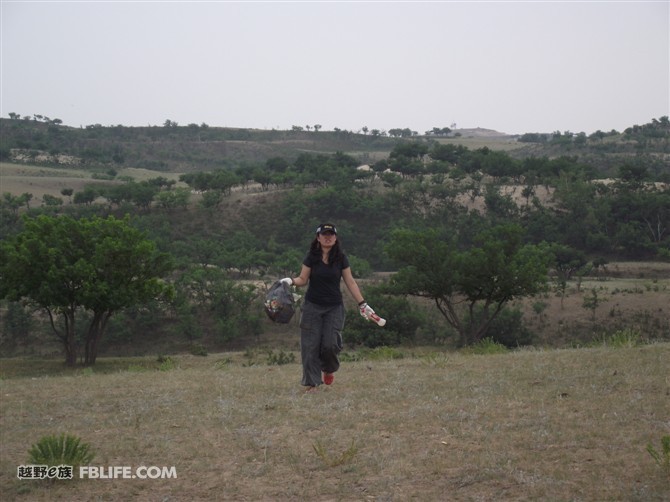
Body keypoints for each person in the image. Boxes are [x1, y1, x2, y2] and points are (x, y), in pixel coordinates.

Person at [281, 223, 378, 393]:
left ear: (335, 238)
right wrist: (289, 281)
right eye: (324, 234)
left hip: (334, 307)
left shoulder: (341, 258)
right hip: (312, 306)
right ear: (318, 237)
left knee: (330, 344)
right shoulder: (311, 256)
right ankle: (312, 384)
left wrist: (363, 303)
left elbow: (350, 281)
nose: (328, 237)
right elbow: (303, 279)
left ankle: (329, 368)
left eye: (331, 234)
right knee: (310, 346)